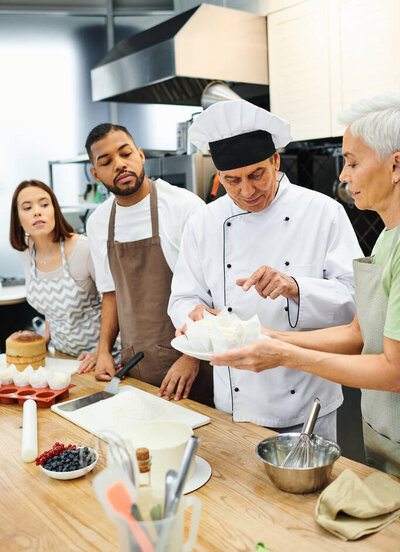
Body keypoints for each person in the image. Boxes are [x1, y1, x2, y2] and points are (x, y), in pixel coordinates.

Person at [210, 94, 400, 476]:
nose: (343, 175)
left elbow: (395, 371)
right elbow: (357, 333)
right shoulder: (386, 238)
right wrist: (267, 337)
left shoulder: (330, 215)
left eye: (352, 161)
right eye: (232, 180)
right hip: (385, 435)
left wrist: (284, 355)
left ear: (395, 165)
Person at [168, 100, 363, 440]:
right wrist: (194, 317)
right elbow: (182, 297)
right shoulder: (203, 223)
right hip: (234, 402)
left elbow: (356, 300)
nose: (247, 191)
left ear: (275, 161)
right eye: (232, 180)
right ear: (219, 177)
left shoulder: (323, 212)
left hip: (308, 400)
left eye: (256, 174)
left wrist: (297, 287)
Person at [85, 123, 213, 405]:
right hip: (136, 364)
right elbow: (111, 293)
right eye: (106, 162)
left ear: (140, 156)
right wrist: (104, 349)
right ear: (95, 174)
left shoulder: (184, 207)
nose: (119, 165)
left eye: (125, 154)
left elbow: (210, 294)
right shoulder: (97, 223)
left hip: (191, 364)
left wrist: (191, 355)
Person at [9, 180, 117, 373]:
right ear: (17, 218)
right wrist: (43, 341)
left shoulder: (82, 248)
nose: (37, 212)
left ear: (55, 210)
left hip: (102, 359)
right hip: (62, 357)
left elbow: (114, 298)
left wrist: (101, 351)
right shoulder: (26, 251)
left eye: (44, 204)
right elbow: (52, 307)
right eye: (27, 207)